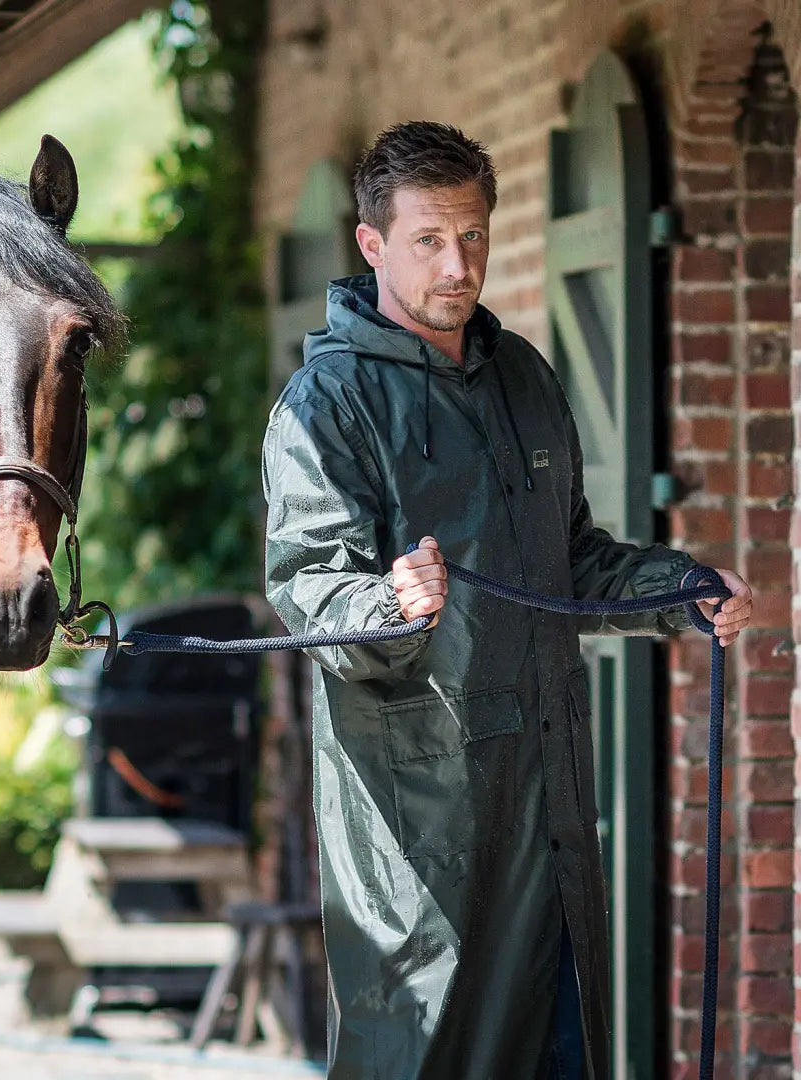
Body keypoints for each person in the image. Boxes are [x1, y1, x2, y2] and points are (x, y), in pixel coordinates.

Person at [261, 121, 752, 1080]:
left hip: (551, 802)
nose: (458, 264)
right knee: (424, 1056)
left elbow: (571, 562)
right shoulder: (324, 406)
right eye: (428, 241)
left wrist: (681, 592)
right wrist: (385, 599)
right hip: (423, 837)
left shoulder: (523, 375)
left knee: (562, 1052)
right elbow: (311, 592)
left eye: (474, 235)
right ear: (373, 246)